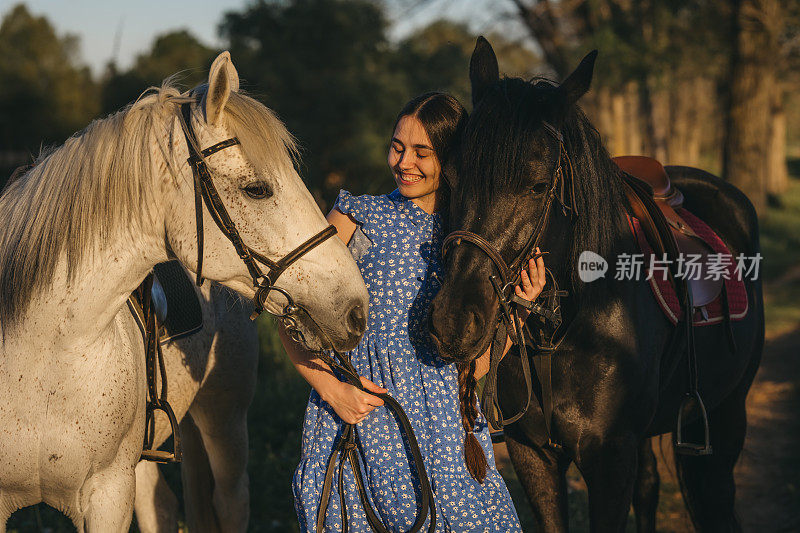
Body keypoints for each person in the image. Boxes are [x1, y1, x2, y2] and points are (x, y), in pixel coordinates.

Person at [281, 92, 545, 532]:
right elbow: (289, 312)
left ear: (451, 157)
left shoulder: (472, 240)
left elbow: (473, 368)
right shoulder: (356, 217)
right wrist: (332, 391)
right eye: (398, 146)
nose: (405, 162)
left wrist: (519, 309)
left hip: (450, 440)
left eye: (422, 152)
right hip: (367, 427)